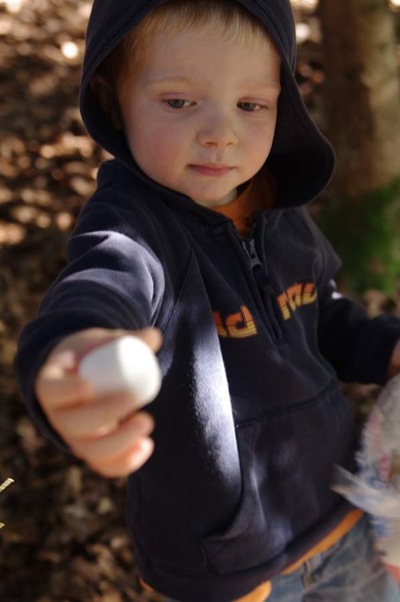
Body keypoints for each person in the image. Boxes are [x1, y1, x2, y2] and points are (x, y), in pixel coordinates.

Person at [16, 0, 400, 601]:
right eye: (178, 102)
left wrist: (386, 348)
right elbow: (100, 287)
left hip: (338, 515)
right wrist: (76, 354)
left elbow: (319, 315)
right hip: (227, 567)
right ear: (114, 101)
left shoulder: (278, 207)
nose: (221, 133)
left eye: (251, 105)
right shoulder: (135, 227)